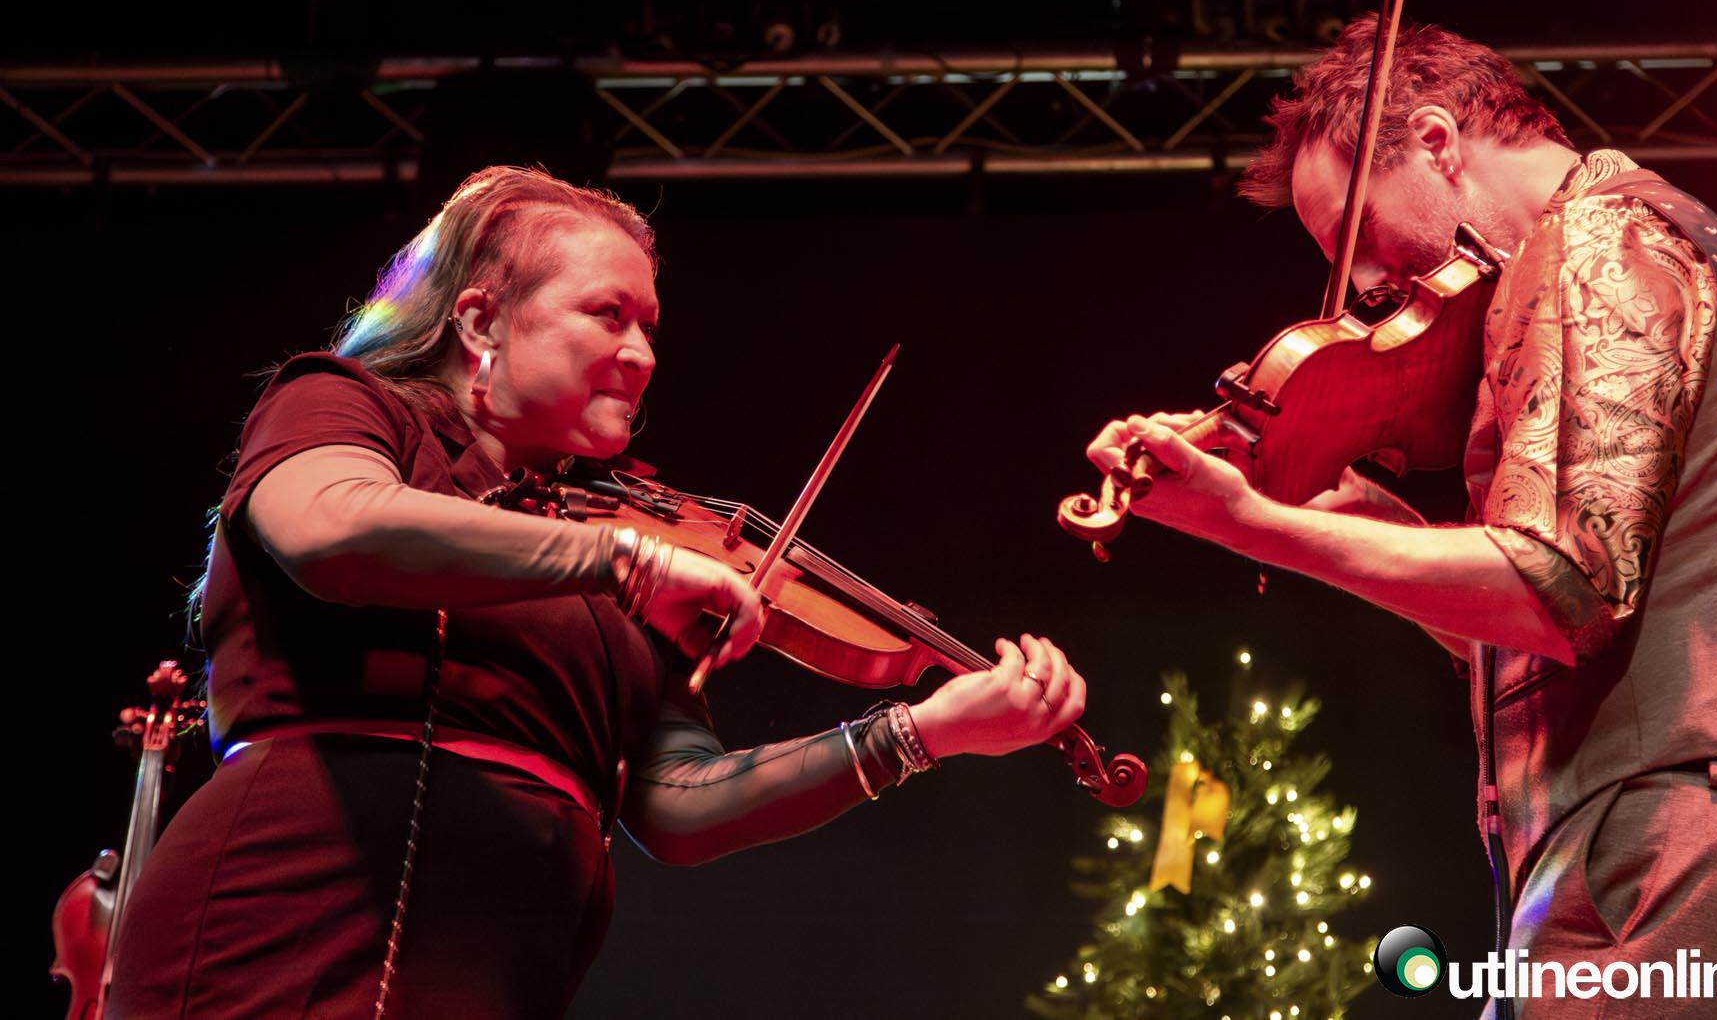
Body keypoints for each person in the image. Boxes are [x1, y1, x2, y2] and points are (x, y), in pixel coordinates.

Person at [108, 166, 1088, 1018]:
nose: (643, 354)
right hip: (289, 912)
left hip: (494, 971)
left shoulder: (612, 532)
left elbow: (679, 806)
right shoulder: (344, 406)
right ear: (481, 318)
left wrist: (922, 732)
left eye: (650, 326)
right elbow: (328, 526)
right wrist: (618, 561)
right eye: (607, 314)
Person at [1085, 18, 1717, 1016]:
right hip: (1686, 846)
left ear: (1433, 142)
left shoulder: (1595, 239)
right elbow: (1533, 629)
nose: (1364, 285)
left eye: (1356, 236)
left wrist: (1252, 524)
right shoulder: (1657, 244)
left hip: (1688, 849)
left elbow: (1561, 589)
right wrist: (1321, 499)